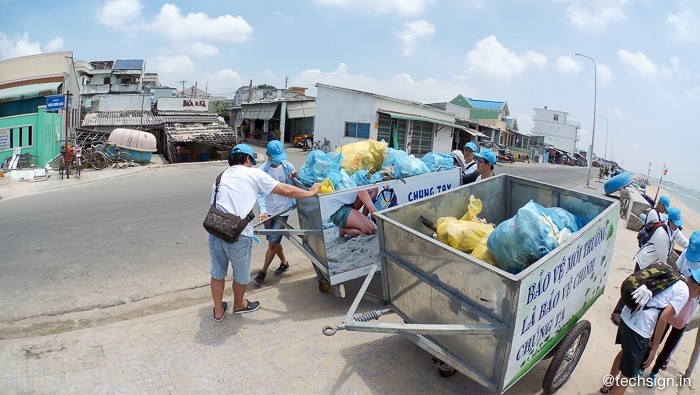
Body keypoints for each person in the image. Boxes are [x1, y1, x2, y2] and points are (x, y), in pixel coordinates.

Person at [208, 144, 320, 321]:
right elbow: (286, 189)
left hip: (214, 231)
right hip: (238, 234)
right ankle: (239, 305)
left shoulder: (220, 177)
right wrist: (311, 192)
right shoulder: (255, 173)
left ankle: (218, 311)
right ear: (247, 159)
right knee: (241, 275)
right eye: (251, 160)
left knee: (217, 272)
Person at [600, 267, 699, 394]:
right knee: (626, 377)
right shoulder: (684, 294)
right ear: (698, 288)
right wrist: (654, 348)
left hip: (627, 314)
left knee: (624, 352)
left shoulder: (676, 279)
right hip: (639, 327)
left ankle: (607, 386)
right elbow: (664, 318)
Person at [611, 207, 687, 325]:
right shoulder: (661, 234)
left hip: (652, 264)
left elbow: (682, 240)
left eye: (678, 225)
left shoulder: (674, 230)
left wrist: (691, 246)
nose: (677, 227)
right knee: (634, 285)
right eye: (675, 224)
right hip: (644, 262)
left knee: (641, 287)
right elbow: (663, 259)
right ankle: (617, 312)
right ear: (670, 221)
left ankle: (630, 310)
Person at [646, 231, 700, 381]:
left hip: (686, 311)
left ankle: (654, 372)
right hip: (674, 300)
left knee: (670, 343)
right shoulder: (685, 253)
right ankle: (643, 365)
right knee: (658, 333)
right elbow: (675, 271)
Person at [254, 140, 297, 285]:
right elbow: (259, 194)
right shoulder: (261, 171)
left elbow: (293, 187)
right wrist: (263, 211)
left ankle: (263, 272)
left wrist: (294, 179)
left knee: (272, 243)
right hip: (268, 211)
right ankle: (284, 262)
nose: (279, 161)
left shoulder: (288, 167)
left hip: (283, 210)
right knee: (274, 240)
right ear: (268, 155)